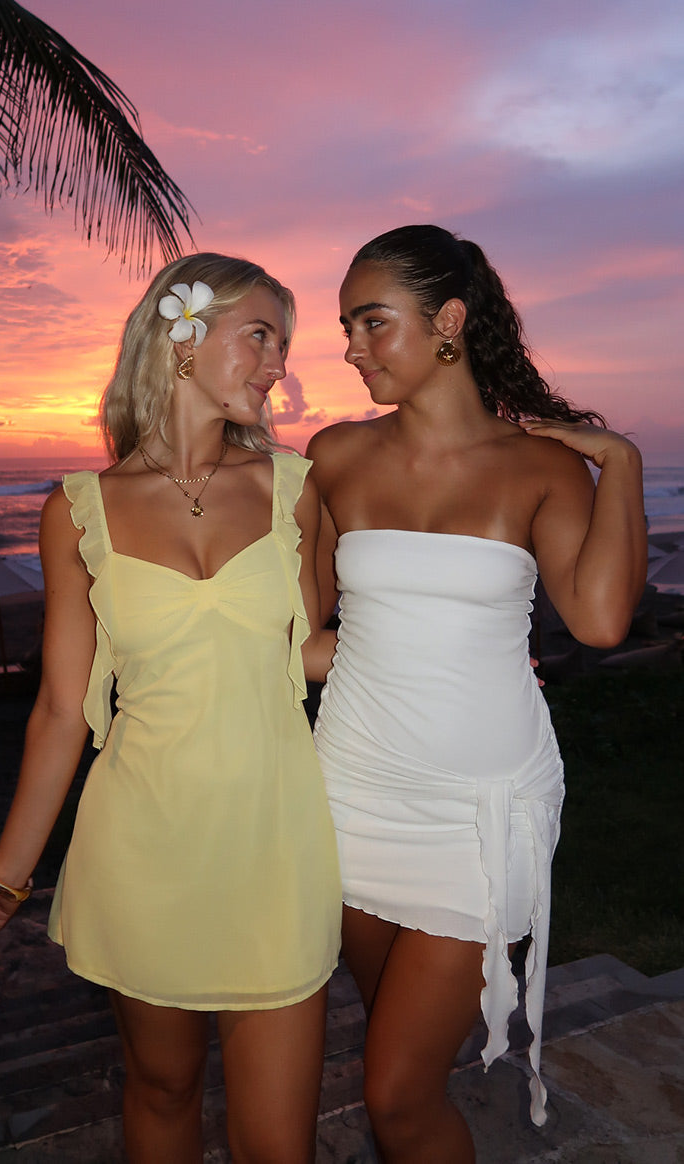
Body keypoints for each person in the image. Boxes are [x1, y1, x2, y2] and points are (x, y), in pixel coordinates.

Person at [0, 254, 341, 1164]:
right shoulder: (77, 510)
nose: (278, 362)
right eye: (261, 335)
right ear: (184, 336)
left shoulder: (296, 487)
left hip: (276, 845)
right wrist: (8, 876)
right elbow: (60, 709)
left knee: (279, 1144)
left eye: (284, 342)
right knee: (161, 1091)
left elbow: (312, 652)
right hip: (143, 845)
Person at [307, 225, 647, 1163]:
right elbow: (299, 640)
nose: (350, 347)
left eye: (373, 322)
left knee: (396, 1093)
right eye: (347, 326)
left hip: (480, 807)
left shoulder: (541, 467)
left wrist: (621, 462)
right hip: (354, 788)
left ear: (448, 320)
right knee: (393, 1040)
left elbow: (601, 621)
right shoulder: (333, 457)